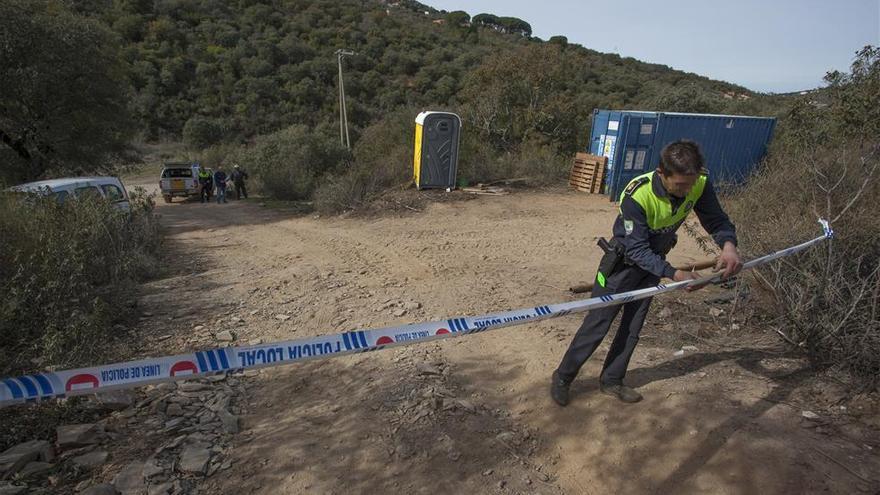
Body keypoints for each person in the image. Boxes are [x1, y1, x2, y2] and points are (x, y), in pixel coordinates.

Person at [551, 140, 742, 406]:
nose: (686, 191)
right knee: (597, 323)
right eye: (679, 185)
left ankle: (612, 380)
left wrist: (729, 246)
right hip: (621, 266)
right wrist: (674, 274)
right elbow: (638, 250)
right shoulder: (636, 195)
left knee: (632, 327)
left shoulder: (698, 181)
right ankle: (563, 377)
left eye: (690, 184)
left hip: (653, 267)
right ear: (661, 173)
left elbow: (716, 219)